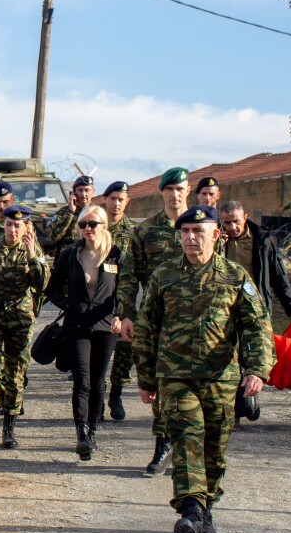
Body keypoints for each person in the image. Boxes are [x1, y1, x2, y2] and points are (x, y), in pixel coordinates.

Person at [132, 205, 274, 533]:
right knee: (186, 438)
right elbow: (147, 329)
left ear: (216, 235)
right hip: (176, 376)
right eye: (185, 232)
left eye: (198, 231)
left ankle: (206, 509)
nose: (191, 238)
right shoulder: (164, 276)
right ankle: (191, 510)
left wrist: (257, 368)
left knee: (214, 448)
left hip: (220, 378)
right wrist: (146, 378)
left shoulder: (235, 276)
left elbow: (256, 325)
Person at [119, 166, 192, 477]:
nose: (175, 195)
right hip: (159, 320)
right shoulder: (145, 231)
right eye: (169, 189)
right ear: (161, 193)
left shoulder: (201, 226)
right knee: (161, 382)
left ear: (188, 191)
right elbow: (128, 276)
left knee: (194, 386)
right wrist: (125, 314)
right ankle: (162, 445)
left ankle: (187, 451)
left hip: (198, 321)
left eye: (180, 189)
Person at [46, 205, 123, 461]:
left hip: (105, 326)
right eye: (83, 225)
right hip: (77, 325)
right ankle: (81, 433)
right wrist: (69, 304)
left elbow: (125, 289)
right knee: (82, 379)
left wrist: (121, 315)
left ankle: (93, 430)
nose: (88, 229)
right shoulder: (70, 254)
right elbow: (53, 289)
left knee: (99, 381)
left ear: (104, 226)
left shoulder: (116, 255)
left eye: (93, 224)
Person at [219, 200, 291, 425]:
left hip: (255, 308)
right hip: (224, 309)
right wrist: (216, 244)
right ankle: (236, 411)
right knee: (230, 358)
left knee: (252, 356)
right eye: (227, 223)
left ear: (245, 217)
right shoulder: (216, 240)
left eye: (236, 221)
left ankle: (248, 401)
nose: (232, 227)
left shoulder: (261, 241)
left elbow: (278, 276)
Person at [0, 204, 48, 450]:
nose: (13, 230)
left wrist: (32, 255)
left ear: (26, 227)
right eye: (9, 224)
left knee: (15, 373)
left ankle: (9, 428)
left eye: (18, 226)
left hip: (20, 321)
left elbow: (42, 284)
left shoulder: (33, 250)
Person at [103, 181, 136, 421]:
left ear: (127, 202)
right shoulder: (94, 225)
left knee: (125, 349)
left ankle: (116, 394)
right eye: (112, 198)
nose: (116, 203)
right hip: (99, 297)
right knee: (98, 350)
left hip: (124, 297)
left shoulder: (135, 232)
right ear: (105, 200)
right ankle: (97, 395)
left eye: (121, 199)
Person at [48, 175, 95, 258]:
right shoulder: (63, 212)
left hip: (89, 259)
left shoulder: (97, 213)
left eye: (87, 190)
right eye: (80, 190)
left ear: (93, 191)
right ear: (73, 193)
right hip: (67, 260)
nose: (83, 194)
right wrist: (70, 213)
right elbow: (53, 236)